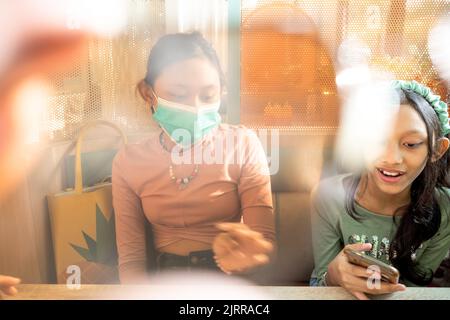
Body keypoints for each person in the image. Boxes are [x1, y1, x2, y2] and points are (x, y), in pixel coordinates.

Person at [112, 32, 275, 283]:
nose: (196, 109)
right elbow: (132, 260)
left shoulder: (242, 144)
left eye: (208, 96)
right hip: (165, 283)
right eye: (178, 95)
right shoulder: (128, 162)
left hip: (229, 283)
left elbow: (261, 243)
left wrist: (240, 257)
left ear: (221, 92)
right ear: (148, 94)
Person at [310, 80, 450, 299]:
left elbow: (416, 286)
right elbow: (318, 286)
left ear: (437, 150)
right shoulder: (328, 196)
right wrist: (333, 275)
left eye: (411, 144)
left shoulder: (445, 208)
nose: (391, 158)